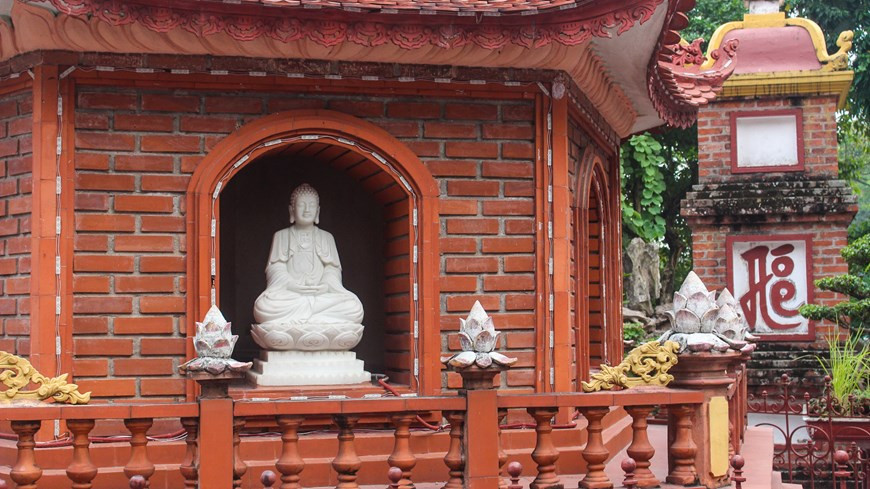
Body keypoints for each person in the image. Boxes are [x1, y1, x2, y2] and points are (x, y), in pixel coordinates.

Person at [253, 183, 364, 326]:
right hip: (292, 296)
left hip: (321, 296)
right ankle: (318, 321)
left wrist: (324, 285)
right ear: (291, 210)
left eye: (311, 205)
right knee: (264, 306)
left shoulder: (327, 237)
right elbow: (275, 269)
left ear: (318, 211)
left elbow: (333, 270)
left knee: (353, 306)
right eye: (301, 205)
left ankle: (302, 321)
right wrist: (292, 285)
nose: (307, 210)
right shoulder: (281, 236)